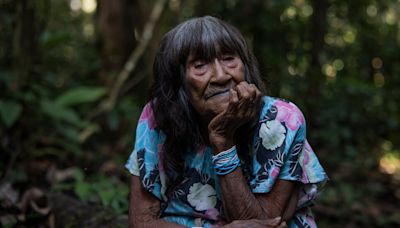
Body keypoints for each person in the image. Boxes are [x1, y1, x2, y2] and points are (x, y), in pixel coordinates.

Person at [125, 16, 328, 228]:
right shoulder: (157, 117)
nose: (221, 76)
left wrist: (223, 141)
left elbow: (264, 223)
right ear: (179, 81)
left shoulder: (283, 120)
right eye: (200, 65)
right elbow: (141, 221)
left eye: (229, 59)